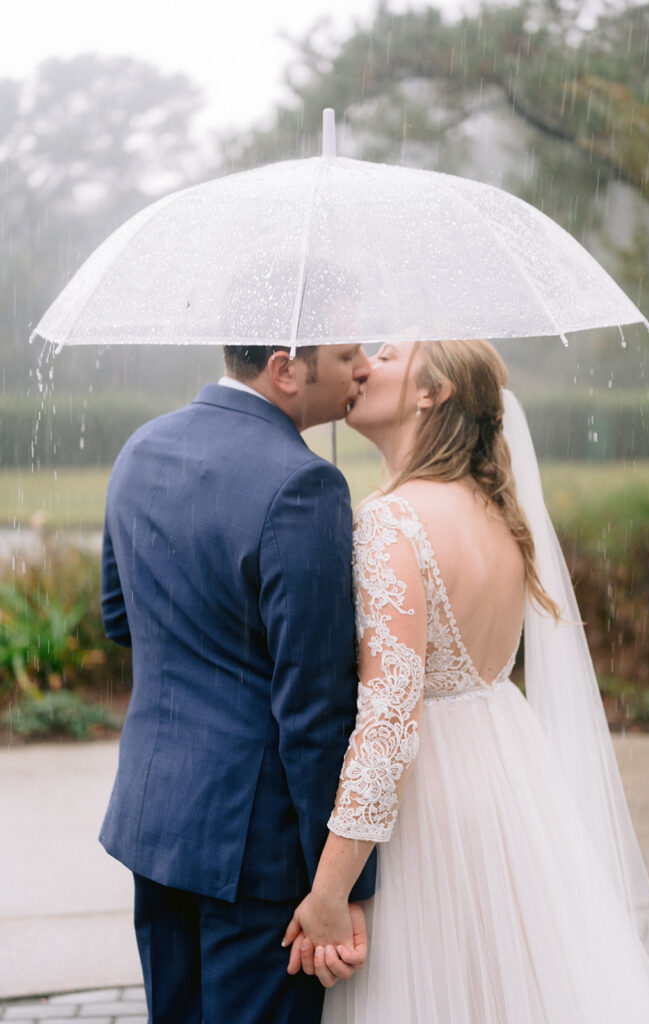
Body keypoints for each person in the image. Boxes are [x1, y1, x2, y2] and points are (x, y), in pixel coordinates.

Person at [283, 338, 649, 1023]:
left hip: (428, 809)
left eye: (386, 354)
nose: (363, 365)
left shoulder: (392, 521)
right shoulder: (496, 511)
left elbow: (386, 724)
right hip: (506, 784)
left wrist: (327, 892)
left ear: (428, 392)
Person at [99, 341, 376, 1024]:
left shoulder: (141, 448)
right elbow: (316, 714)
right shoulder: (305, 485)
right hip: (257, 852)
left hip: (155, 822)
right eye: (346, 355)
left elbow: (119, 617)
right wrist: (341, 885)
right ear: (285, 368)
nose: (363, 367)